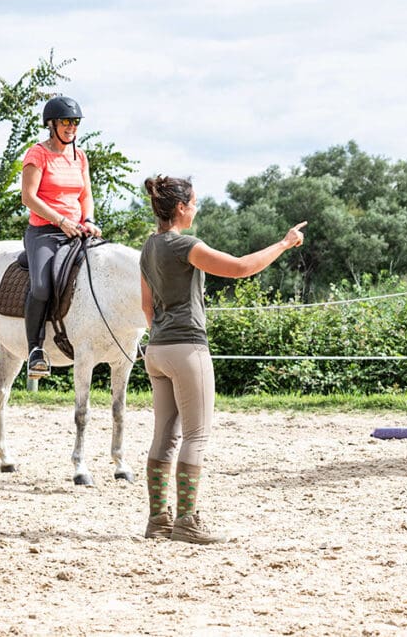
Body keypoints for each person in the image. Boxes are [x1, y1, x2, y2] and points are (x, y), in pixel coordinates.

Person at [140, 175, 306, 544]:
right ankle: (186, 521)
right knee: (196, 435)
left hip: (157, 350)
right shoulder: (185, 246)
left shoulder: (148, 247)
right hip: (188, 348)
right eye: (194, 203)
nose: (196, 208)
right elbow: (241, 268)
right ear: (181, 208)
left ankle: (157, 520)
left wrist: (162, 336)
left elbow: (146, 305)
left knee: (163, 436)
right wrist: (284, 243)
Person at [20, 95, 103, 378]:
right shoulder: (37, 154)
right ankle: (35, 350)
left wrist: (88, 219)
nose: (71, 127)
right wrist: (60, 220)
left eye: (75, 122)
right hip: (44, 232)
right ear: (51, 124)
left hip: (77, 230)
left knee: (102, 271)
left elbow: (85, 194)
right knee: (42, 287)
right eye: (66, 122)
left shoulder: (79, 156)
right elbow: (28, 197)